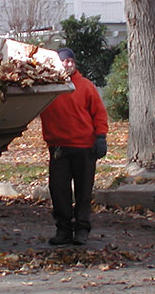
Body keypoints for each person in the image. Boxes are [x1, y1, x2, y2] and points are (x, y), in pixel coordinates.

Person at [39, 48, 108, 245]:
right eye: (64, 61)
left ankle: (82, 229)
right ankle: (63, 230)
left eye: (71, 61)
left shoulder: (86, 87)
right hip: (59, 147)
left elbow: (99, 114)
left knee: (84, 191)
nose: (68, 64)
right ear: (56, 64)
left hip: (85, 147)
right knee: (59, 190)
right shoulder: (48, 88)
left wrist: (101, 136)